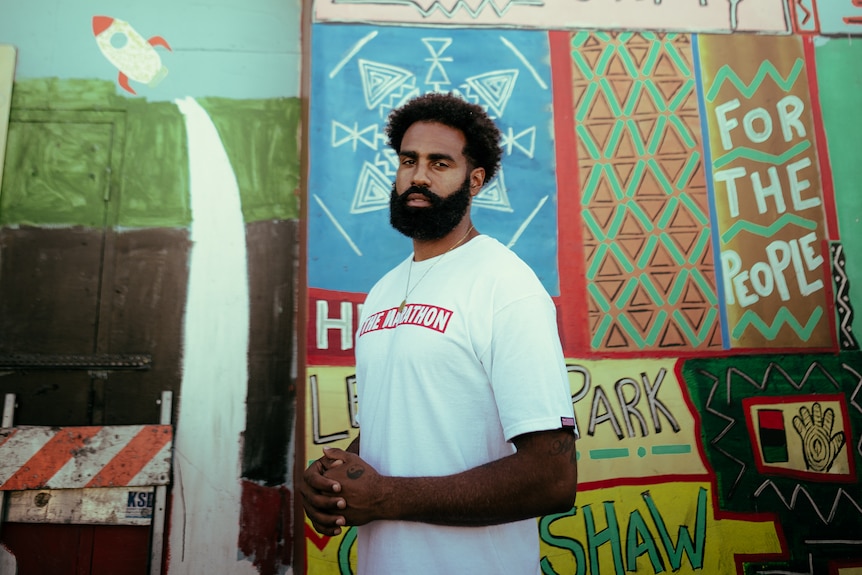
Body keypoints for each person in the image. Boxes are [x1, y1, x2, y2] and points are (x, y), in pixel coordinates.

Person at [301, 92, 578, 574]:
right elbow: (399, 428)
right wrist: (339, 478)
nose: (419, 176)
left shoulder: (505, 284)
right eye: (409, 160)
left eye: (439, 162)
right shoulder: (383, 293)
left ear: (474, 181)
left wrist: (387, 497)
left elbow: (552, 478)